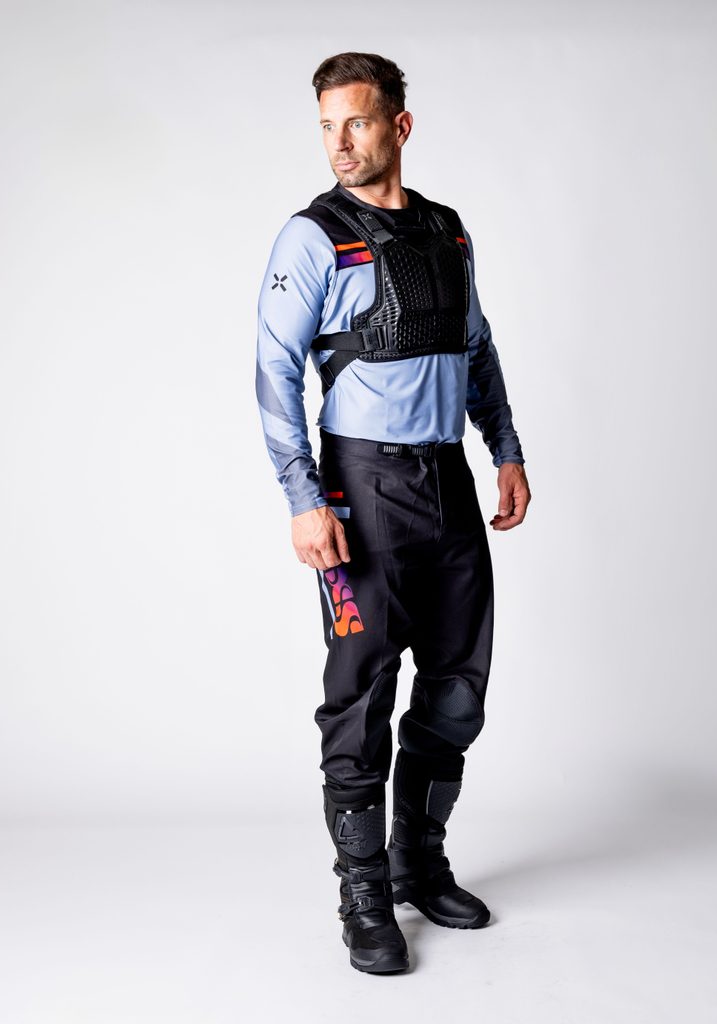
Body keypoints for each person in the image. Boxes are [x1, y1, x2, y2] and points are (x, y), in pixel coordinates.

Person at [255, 51, 531, 974]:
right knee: (361, 696)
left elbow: (475, 345)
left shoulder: (448, 232)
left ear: (399, 126)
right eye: (326, 126)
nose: (339, 143)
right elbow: (273, 371)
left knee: (457, 687)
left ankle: (419, 863)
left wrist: (505, 449)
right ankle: (364, 894)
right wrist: (304, 500)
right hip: (361, 490)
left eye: (358, 122)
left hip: (448, 483)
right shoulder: (312, 238)